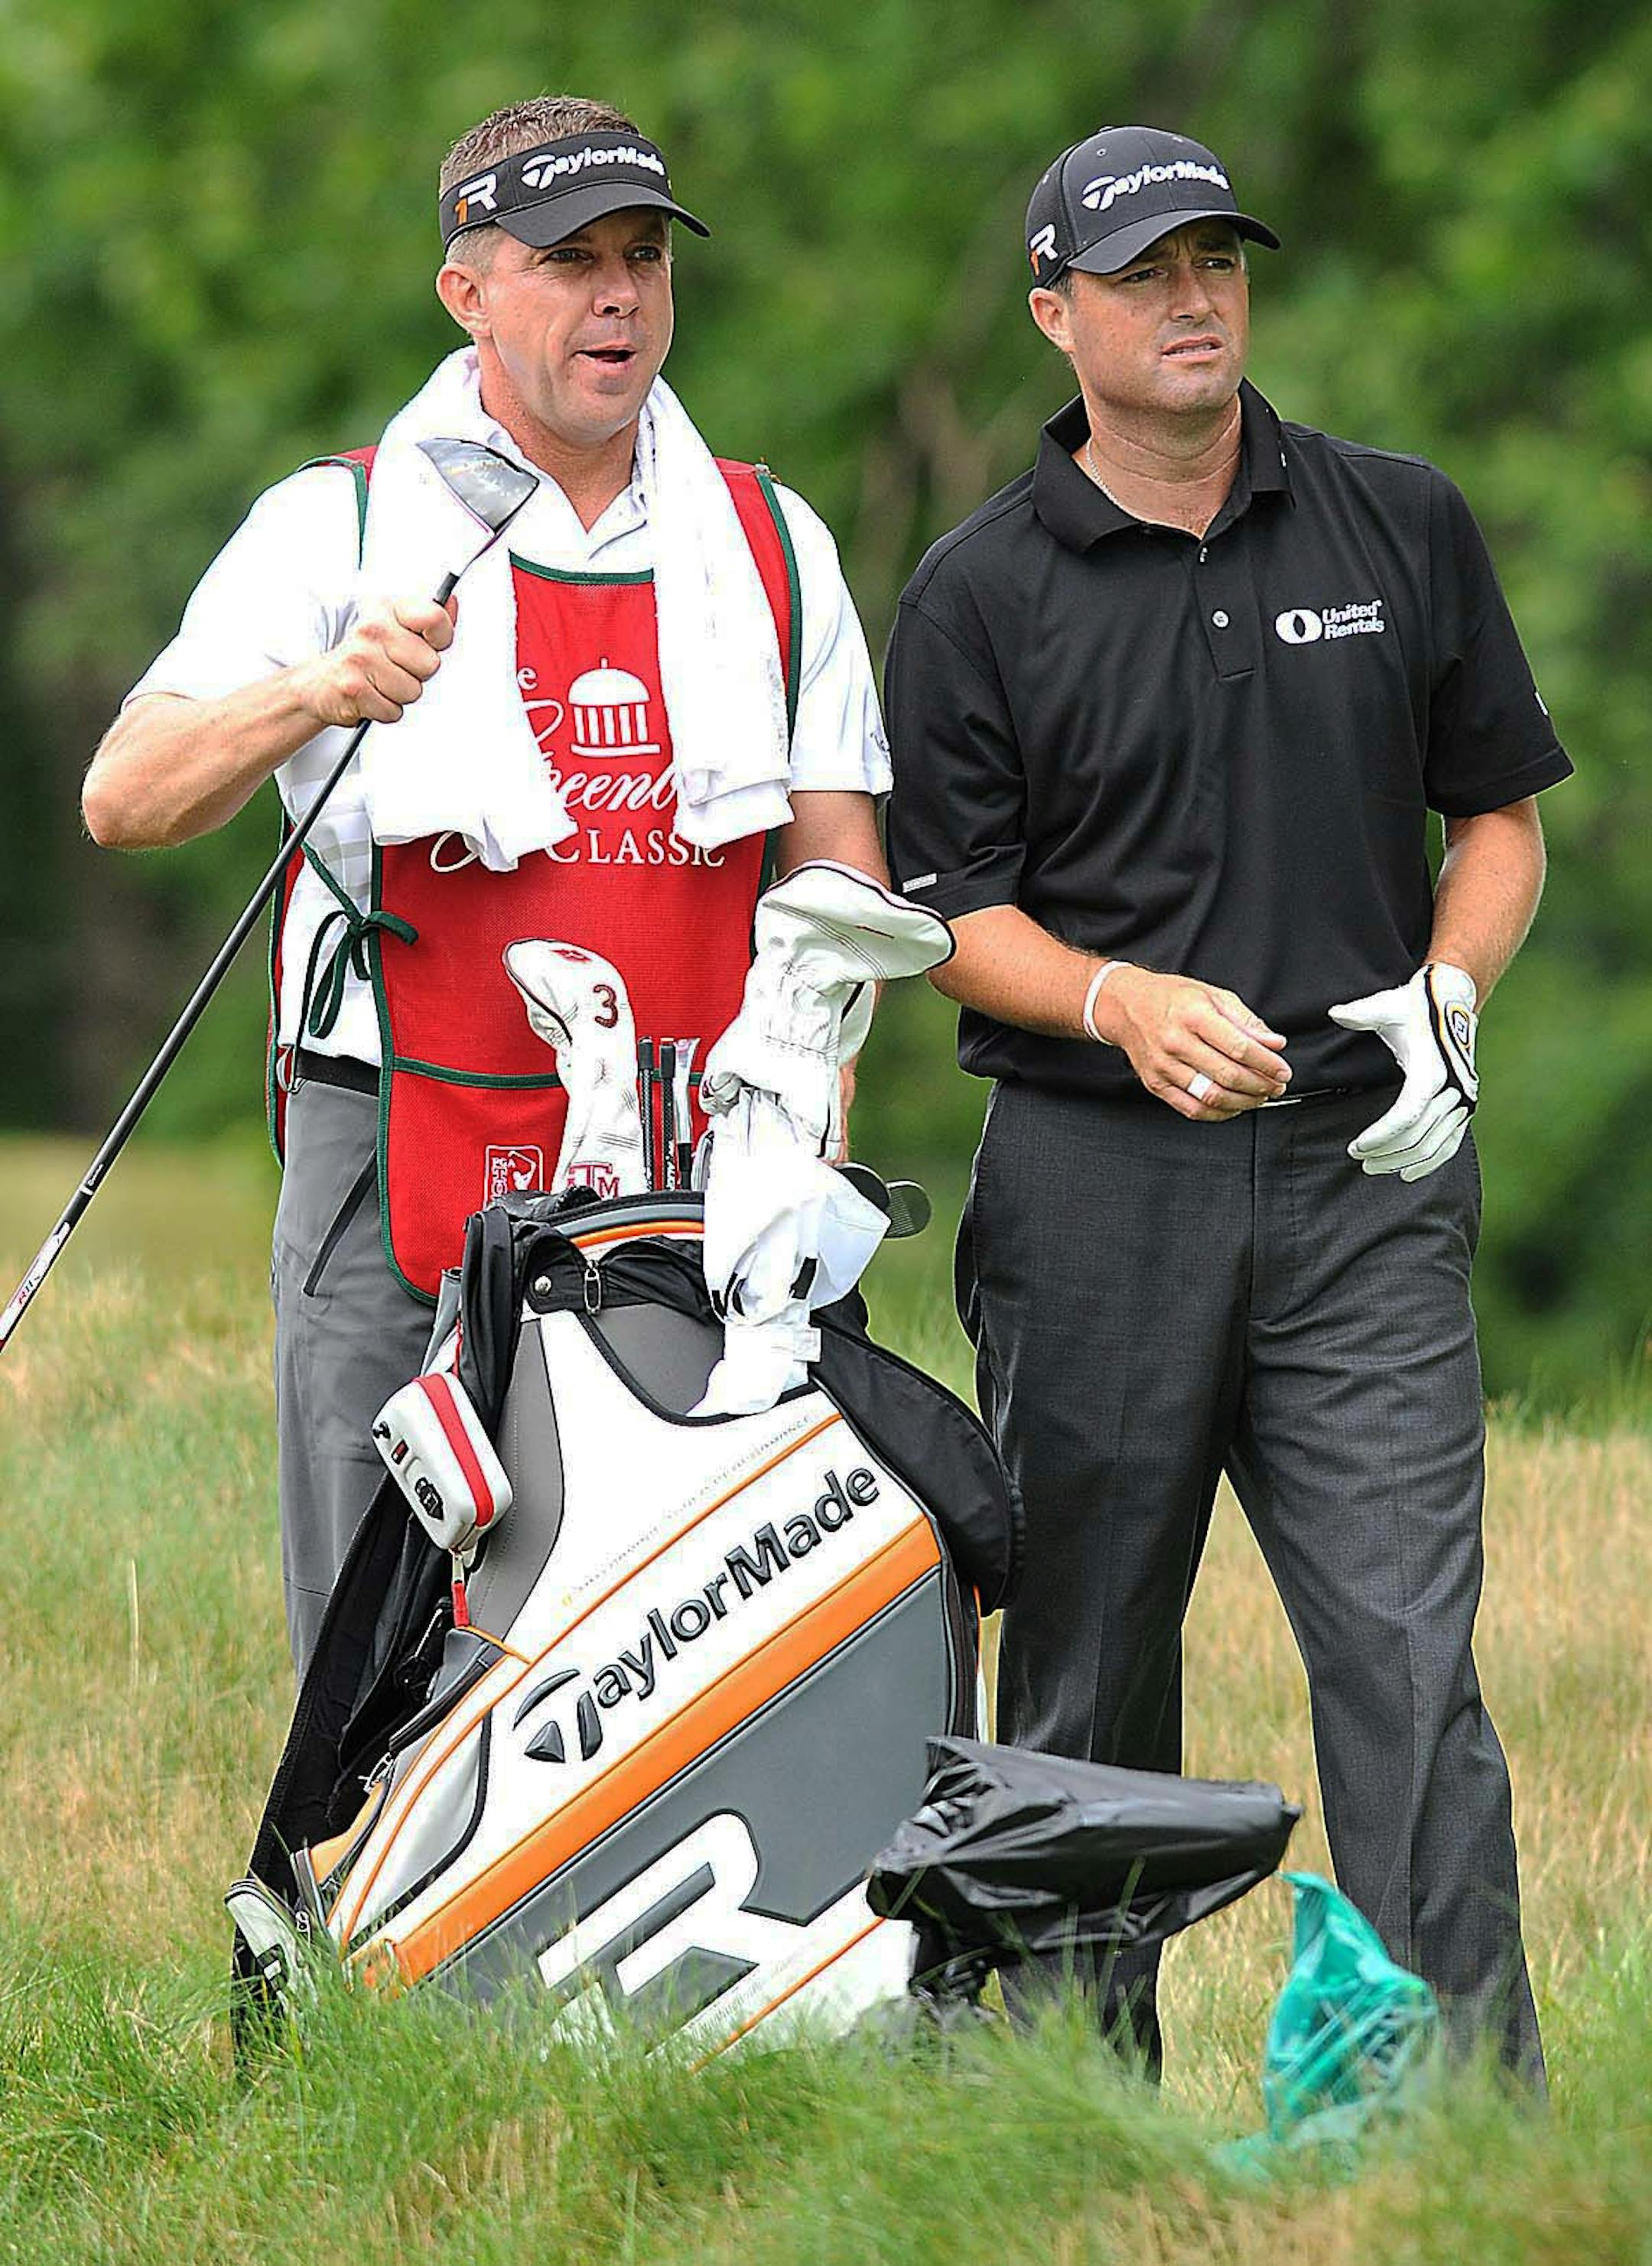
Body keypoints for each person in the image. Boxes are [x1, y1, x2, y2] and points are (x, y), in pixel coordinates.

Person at [884, 124, 1566, 2083]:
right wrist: (1116, 1001)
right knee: (1089, 1674)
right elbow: (945, 916)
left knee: (1409, 1666)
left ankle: (1455, 2124)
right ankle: (1078, 2114)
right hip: (1097, 1187)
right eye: (1143, 272)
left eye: (1217, 264)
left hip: (1366, 1173)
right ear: (1056, 313)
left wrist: (1451, 991)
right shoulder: (983, 590)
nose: (1193, 300)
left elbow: (1497, 823)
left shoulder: (1397, 521)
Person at [83, 96, 890, 1677]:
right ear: (467, 289)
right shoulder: (337, 521)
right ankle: (337, 1912)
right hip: (399, 1132)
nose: (621, 296)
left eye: (645, 259)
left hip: (701, 1147)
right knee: (381, 1596)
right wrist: (315, 691)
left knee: (694, 1598)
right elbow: (128, 794)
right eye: (571, 260)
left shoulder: (770, 539)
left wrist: (815, 1090)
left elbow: (841, 873)